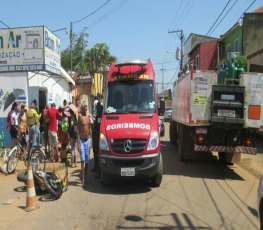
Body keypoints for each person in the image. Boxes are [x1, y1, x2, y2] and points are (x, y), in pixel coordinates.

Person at [77, 104, 92, 188]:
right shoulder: (79, 117)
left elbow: (89, 128)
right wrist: (78, 143)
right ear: (81, 109)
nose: (85, 110)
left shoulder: (88, 117)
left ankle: (85, 177)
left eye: (86, 109)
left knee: (87, 160)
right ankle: (83, 180)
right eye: (84, 109)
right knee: (82, 160)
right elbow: (78, 130)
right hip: (82, 140)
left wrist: (91, 140)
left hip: (87, 140)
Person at [92, 101, 103, 178]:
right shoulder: (99, 114)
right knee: (96, 153)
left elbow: (97, 124)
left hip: (98, 136)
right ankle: (96, 168)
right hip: (96, 136)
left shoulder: (100, 115)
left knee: (97, 153)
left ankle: (98, 171)